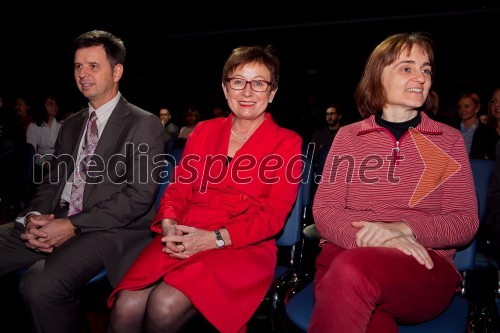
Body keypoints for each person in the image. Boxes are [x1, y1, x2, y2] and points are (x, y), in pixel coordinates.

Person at [106, 45, 303, 333]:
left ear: (272, 92)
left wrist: (216, 239)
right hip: (187, 231)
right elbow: (178, 188)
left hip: (242, 244)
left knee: (165, 304)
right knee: (127, 304)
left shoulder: (288, 142)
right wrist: (170, 222)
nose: (247, 92)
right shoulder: (204, 131)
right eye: (238, 82)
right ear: (225, 89)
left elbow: (272, 217)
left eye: (259, 83)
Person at [309, 32, 478, 332]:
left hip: (424, 264)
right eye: (407, 67)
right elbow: (324, 211)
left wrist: (404, 230)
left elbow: (464, 222)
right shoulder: (348, 137)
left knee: (349, 274)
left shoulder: (449, 140)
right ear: (378, 77)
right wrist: (377, 238)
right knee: (368, 313)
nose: (421, 77)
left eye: (426, 69)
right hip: (347, 252)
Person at [0, 30, 165, 332]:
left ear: (117, 71)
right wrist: (35, 215)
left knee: (39, 286)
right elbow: (52, 181)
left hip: (109, 229)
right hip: (58, 215)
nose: (83, 74)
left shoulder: (144, 123)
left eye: (93, 65)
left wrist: (73, 225)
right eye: (78, 66)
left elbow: (138, 197)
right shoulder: (73, 123)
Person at [26, 95, 63, 181]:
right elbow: (32, 152)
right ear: (42, 106)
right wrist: (44, 163)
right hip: (41, 165)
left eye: (55, 103)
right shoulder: (33, 126)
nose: (54, 106)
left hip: (61, 162)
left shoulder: (63, 123)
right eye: (50, 103)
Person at [455, 92, 498, 160]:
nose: (462, 110)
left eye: (466, 106)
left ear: (477, 108)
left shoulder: (488, 131)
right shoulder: (451, 130)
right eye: (460, 107)